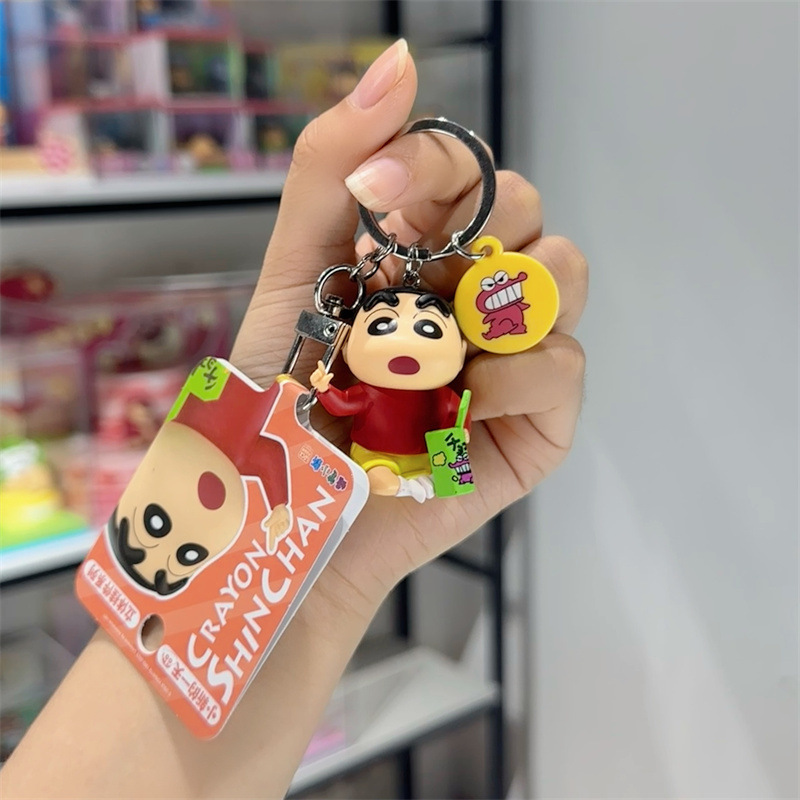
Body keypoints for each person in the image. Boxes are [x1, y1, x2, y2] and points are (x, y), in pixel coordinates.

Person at [0, 40, 587, 799]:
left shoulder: (444, 391)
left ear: (453, 335)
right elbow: (342, 400)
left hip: (402, 470)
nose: (406, 339)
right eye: (384, 324)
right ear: (352, 330)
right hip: (365, 461)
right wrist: (318, 398)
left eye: (427, 327)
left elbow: (451, 415)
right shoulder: (345, 365)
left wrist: (439, 473)